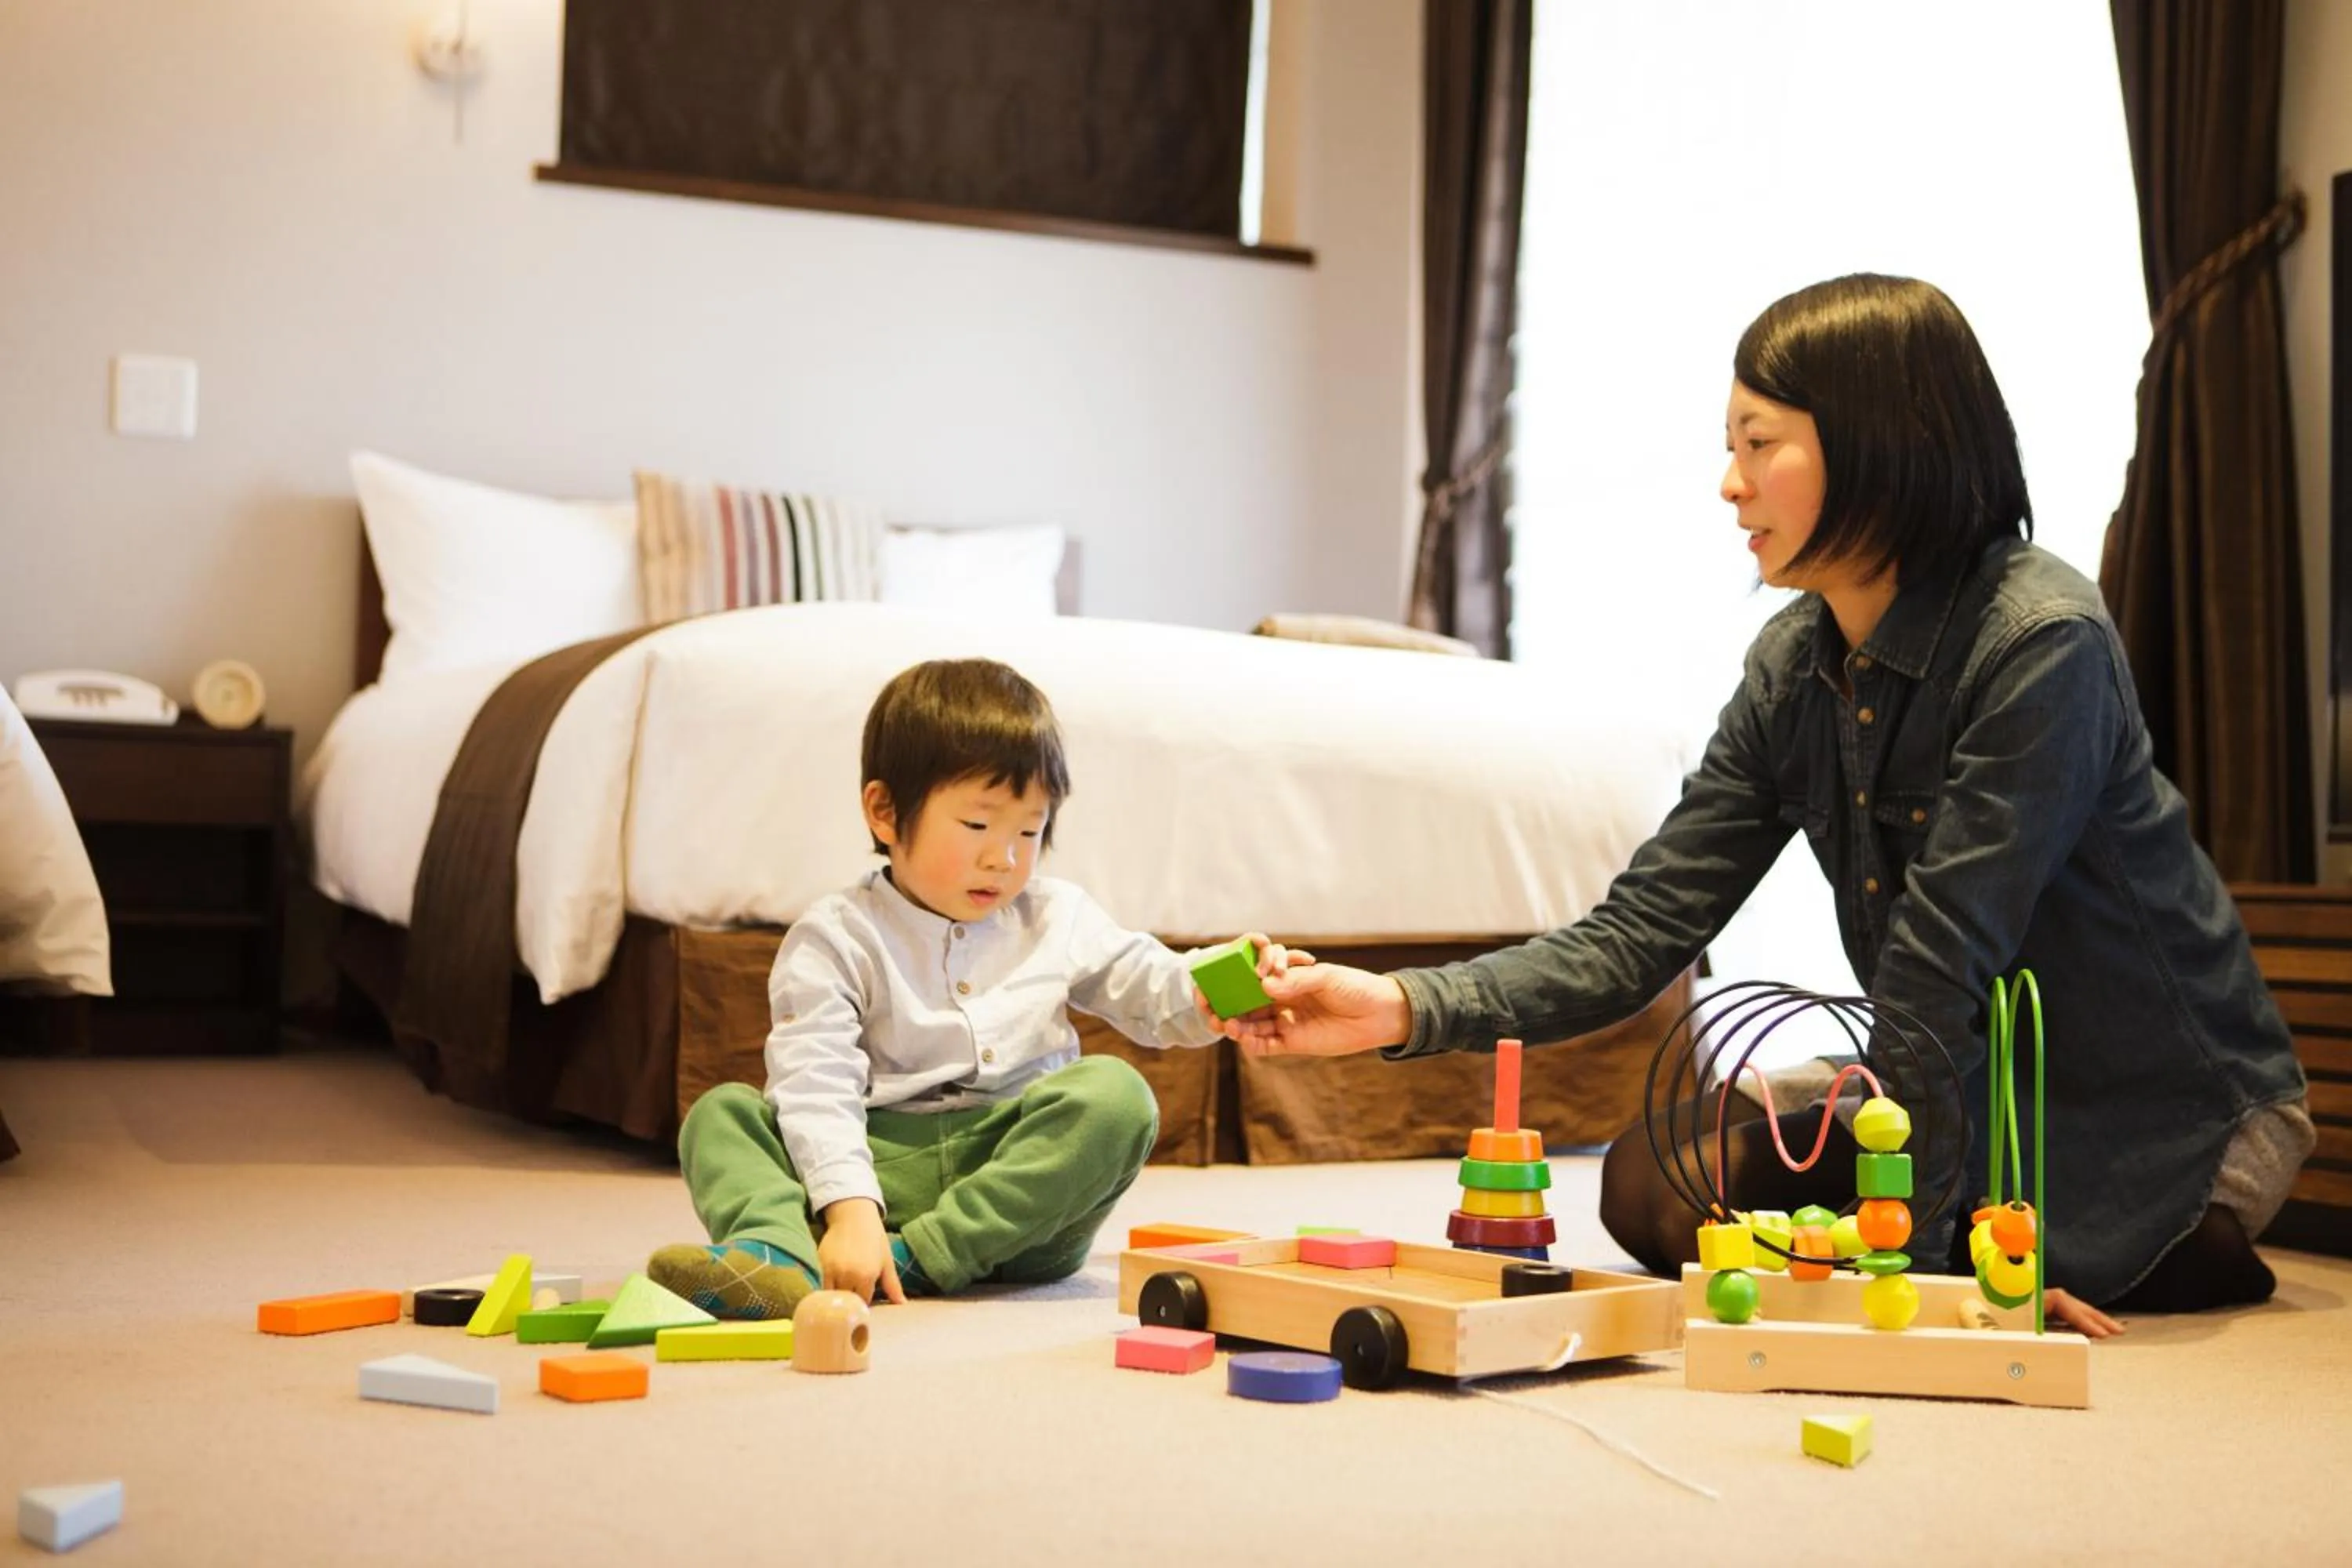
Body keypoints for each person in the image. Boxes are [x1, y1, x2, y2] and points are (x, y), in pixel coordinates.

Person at [1221, 274, 2313, 1334]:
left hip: (2153, 1110)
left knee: (1944, 1229)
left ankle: (2157, 1241)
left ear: (1882, 443)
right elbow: (1640, 931)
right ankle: (2004, 1223)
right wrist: (1397, 1007)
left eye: (1759, 444)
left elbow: (1938, 977)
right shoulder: (1797, 662)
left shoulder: (2041, 645)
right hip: (1948, 1077)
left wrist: (1924, 1286)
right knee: (1651, 1186)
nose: (1729, 483)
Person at [651, 657, 1282, 1316]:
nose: (1002, 858)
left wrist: (1225, 984)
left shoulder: (1056, 916)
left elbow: (1150, 984)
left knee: (1117, 1098)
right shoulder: (835, 935)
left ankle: (915, 1259)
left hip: (1015, 1214)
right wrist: (851, 1209)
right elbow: (816, 1078)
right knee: (721, 1115)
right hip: (875, 1174)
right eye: (978, 826)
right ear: (885, 812)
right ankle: (777, 1255)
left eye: (1029, 832)